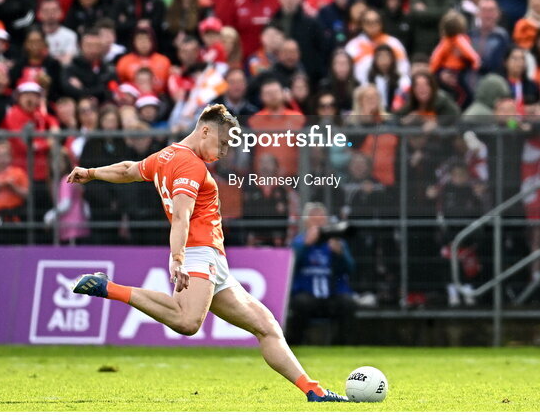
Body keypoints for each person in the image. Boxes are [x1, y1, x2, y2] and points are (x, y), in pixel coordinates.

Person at [68, 104, 350, 402]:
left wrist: (91, 172)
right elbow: (181, 215)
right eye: (224, 142)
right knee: (187, 322)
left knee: (267, 327)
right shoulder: (190, 165)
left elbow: (128, 170)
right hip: (197, 253)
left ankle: (313, 391)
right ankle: (107, 287)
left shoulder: (165, 156)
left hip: (214, 260)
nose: (226, 150)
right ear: (205, 130)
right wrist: (177, 259)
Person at [288, 202, 356, 346]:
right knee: (300, 303)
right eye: (314, 216)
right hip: (308, 296)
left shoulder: (336, 243)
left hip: (331, 295)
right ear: (306, 221)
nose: (318, 220)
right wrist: (305, 245)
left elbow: (349, 269)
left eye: (321, 217)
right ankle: (294, 345)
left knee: (348, 303)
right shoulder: (298, 242)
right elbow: (289, 267)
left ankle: (343, 346)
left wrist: (340, 254)